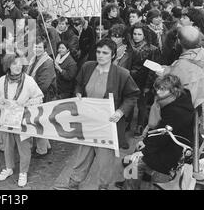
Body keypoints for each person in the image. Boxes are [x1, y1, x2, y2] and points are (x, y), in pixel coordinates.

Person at [55, 39, 140, 190]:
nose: (101, 56)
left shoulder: (122, 74)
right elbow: (79, 84)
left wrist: (120, 111)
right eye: (98, 52)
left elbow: (132, 96)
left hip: (108, 124)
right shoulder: (88, 67)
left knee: (105, 159)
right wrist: (78, 94)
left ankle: (103, 186)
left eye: (105, 53)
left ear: (113, 55)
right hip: (88, 121)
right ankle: (73, 184)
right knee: (83, 154)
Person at [122, 75, 195, 190]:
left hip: (172, 152)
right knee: (136, 154)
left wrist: (145, 151)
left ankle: (129, 186)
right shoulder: (177, 99)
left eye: (162, 89)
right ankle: (130, 183)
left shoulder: (176, 111)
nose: (158, 92)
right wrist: (145, 142)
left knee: (134, 162)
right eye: (157, 88)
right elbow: (160, 129)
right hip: (169, 144)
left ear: (174, 90)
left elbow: (163, 135)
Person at [0, 53, 44, 188]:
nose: (18, 66)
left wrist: (26, 103)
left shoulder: (29, 81)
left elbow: (39, 97)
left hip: (23, 120)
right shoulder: (1, 81)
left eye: (20, 63)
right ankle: (9, 167)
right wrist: (1, 101)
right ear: (8, 65)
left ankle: (23, 172)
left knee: (24, 147)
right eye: (14, 63)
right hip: (7, 119)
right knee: (8, 145)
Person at [160, 26, 204, 134]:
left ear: (179, 41)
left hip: (185, 114)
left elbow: (168, 92)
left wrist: (162, 75)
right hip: (200, 112)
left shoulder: (181, 66)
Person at [129, 23, 161, 136]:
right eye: (134, 34)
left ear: (144, 35)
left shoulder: (152, 49)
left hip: (144, 80)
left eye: (139, 34)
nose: (136, 36)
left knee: (142, 104)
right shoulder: (129, 47)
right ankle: (128, 123)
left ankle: (140, 125)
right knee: (129, 101)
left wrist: (148, 86)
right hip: (130, 79)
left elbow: (152, 70)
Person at [27, 37, 56, 158]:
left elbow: (44, 84)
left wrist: (30, 95)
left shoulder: (47, 62)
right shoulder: (34, 59)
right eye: (35, 47)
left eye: (39, 47)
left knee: (39, 122)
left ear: (44, 49)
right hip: (37, 94)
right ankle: (46, 146)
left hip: (42, 96)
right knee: (39, 122)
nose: (37, 49)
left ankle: (42, 149)